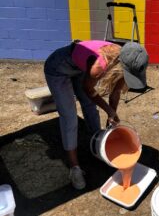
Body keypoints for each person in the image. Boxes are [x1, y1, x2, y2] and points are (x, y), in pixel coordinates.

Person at [44, 40, 148, 189]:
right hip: (58, 68)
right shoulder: (100, 64)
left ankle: (98, 145)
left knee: (91, 108)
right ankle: (74, 168)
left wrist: (111, 116)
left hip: (79, 68)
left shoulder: (126, 60)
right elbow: (89, 90)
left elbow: (115, 93)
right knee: (69, 117)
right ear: (124, 66)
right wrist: (109, 111)